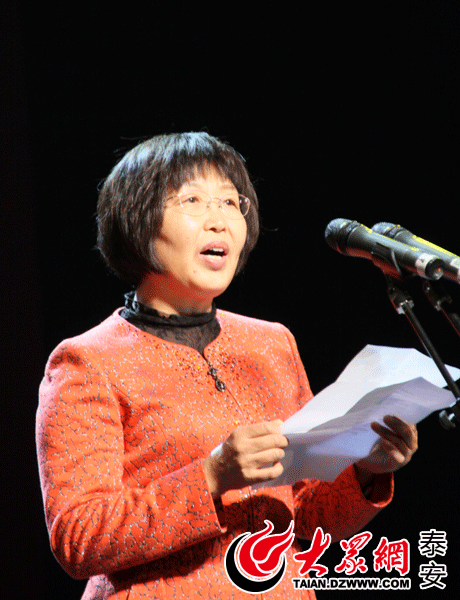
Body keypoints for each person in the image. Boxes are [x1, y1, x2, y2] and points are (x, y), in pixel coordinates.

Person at [36, 132, 418, 599]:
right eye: (192, 200)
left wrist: (367, 468)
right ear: (137, 219)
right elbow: (78, 538)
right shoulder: (88, 361)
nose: (218, 220)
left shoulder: (272, 344)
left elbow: (308, 515)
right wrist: (211, 477)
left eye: (231, 202)